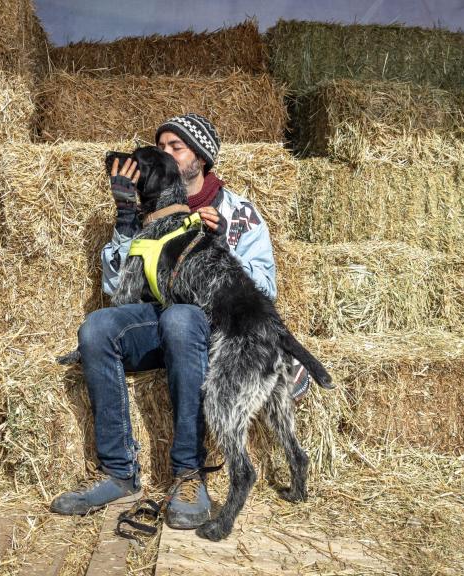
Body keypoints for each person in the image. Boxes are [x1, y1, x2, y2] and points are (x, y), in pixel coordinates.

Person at [50, 113, 307, 528]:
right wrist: (125, 218)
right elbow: (117, 285)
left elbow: (265, 290)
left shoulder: (237, 211)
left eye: (176, 146)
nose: (167, 153)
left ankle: (189, 474)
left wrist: (221, 244)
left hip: (209, 332)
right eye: (162, 146)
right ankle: (118, 471)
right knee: (97, 327)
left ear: (200, 158)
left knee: (182, 318)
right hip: (158, 319)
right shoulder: (150, 207)